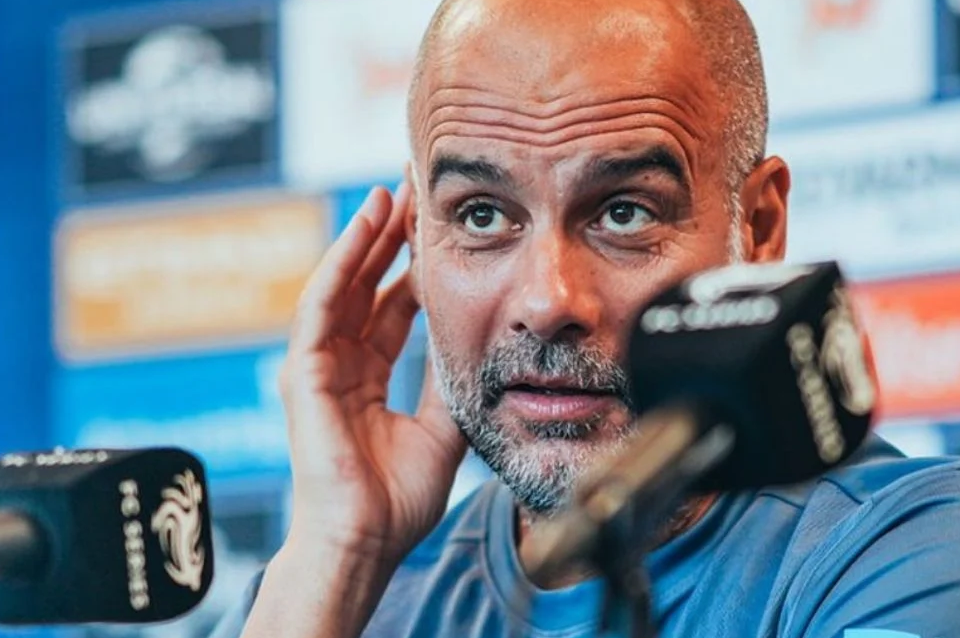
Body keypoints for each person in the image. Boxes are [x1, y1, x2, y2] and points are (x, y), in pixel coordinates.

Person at [210, 0, 960, 636]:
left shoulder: (905, 549)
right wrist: (341, 549)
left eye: (625, 212)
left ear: (758, 230)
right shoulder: (334, 596)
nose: (547, 303)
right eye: (481, 215)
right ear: (417, 242)